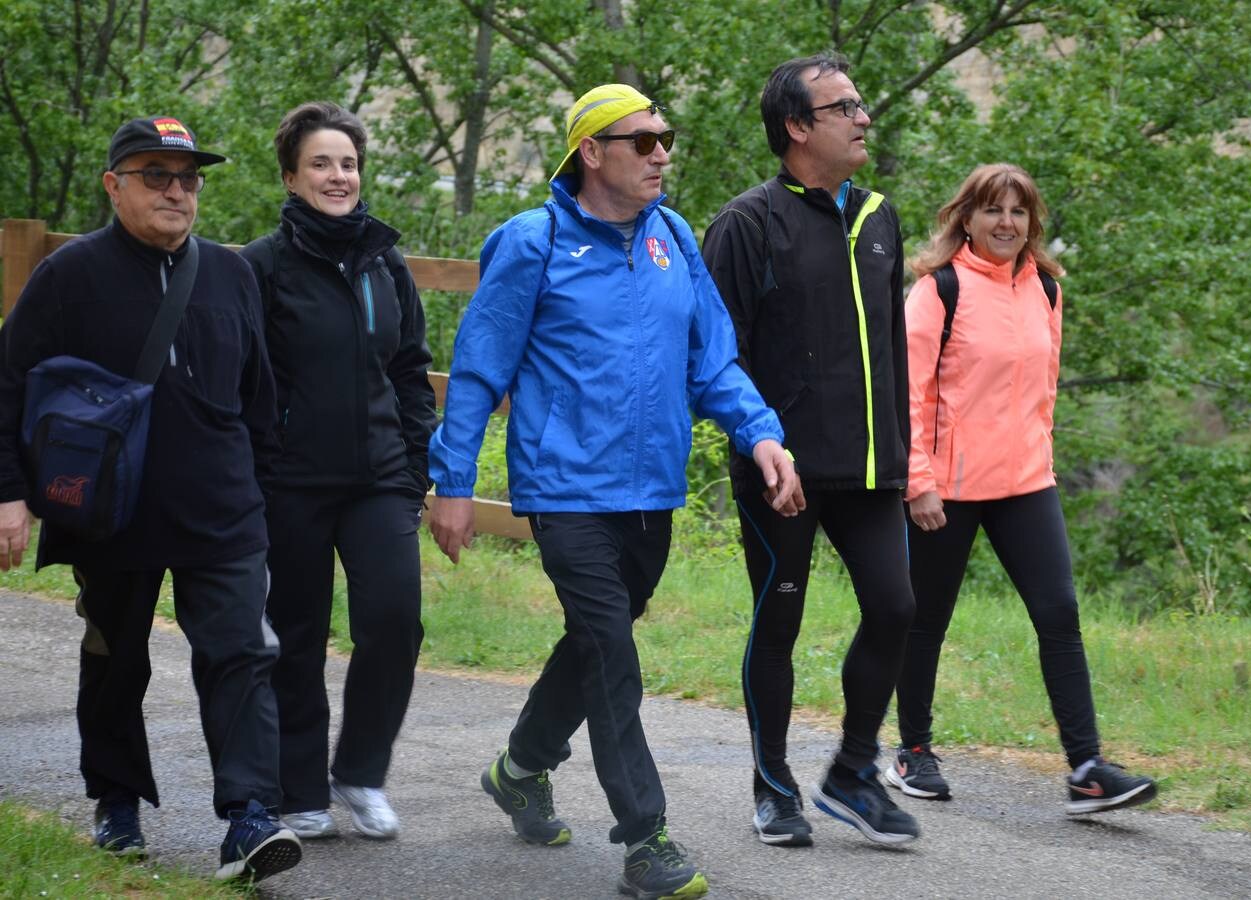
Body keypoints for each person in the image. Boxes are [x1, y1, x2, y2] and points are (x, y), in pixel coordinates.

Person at [426, 83, 801, 900]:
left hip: (650, 493)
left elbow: (714, 362)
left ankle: (520, 769)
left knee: (595, 646)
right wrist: (452, 481)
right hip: (565, 489)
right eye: (642, 140)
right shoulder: (532, 243)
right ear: (591, 152)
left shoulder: (671, 238)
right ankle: (645, 839)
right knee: (612, 656)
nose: (662, 152)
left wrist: (761, 432)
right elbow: (478, 371)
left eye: (666, 137)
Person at [0, 116, 301, 881]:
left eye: (189, 178)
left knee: (241, 655)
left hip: (223, 512)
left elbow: (261, 400)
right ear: (114, 185)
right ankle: (117, 802)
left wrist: (260, 499)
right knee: (114, 659)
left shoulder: (232, 275)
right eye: (156, 175)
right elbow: (7, 389)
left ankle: (250, 818)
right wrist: (11, 495)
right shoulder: (69, 277)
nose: (176, 191)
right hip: (111, 514)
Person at [887, 162, 1158, 814]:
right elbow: (907, 397)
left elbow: (1044, 392)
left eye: (1018, 212)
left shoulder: (1048, 291)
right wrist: (918, 482)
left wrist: (1042, 458)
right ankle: (913, 752)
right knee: (926, 622)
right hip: (946, 488)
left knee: (1059, 614)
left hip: (1027, 483)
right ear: (967, 219)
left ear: (1032, 222)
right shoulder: (938, 292)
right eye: (992, 210)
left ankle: (1087, 768)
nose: (1006, 223)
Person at [702, 53, 919, 848]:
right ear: (797, 128)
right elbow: (717, 359)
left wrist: (907, 457)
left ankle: (854, 772)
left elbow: (895, 350)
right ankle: (773, 787)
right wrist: (761, 447)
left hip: (870, 468)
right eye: (844, 108)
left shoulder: (880, 218)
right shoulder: (745, 224)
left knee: (896, 607)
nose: (864, 118)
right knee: (778, 623)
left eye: (861, 104)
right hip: (781, 472)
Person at [240, 102, 436, 841]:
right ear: (291, 176)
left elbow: (412, 369)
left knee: (394, 620)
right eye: (320, 163)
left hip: (380, 477)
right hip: (289, 481)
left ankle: (359, 770)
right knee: (295, 633)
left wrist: (415, 460)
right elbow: (241, 380)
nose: (337, 175)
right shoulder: (259, 267)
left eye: (348, 162)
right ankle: (299, 790)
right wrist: (257, 471)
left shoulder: (384, 262)